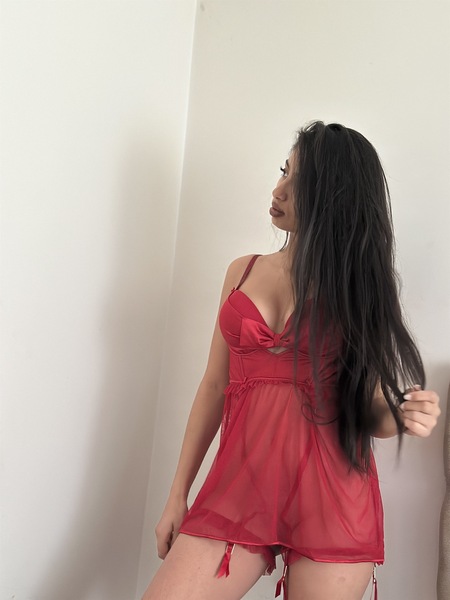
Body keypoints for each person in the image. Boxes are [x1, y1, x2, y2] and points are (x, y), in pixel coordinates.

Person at [142, 121, 441, 600]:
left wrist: (400, 414)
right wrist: (178, 494)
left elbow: (368, 409)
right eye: (284, 171)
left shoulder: (359, 291)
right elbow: (214, 386)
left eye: (300, 183)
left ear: (335, 198)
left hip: (332, 501)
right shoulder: (242, 272)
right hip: (239, 489)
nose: (278, 190)